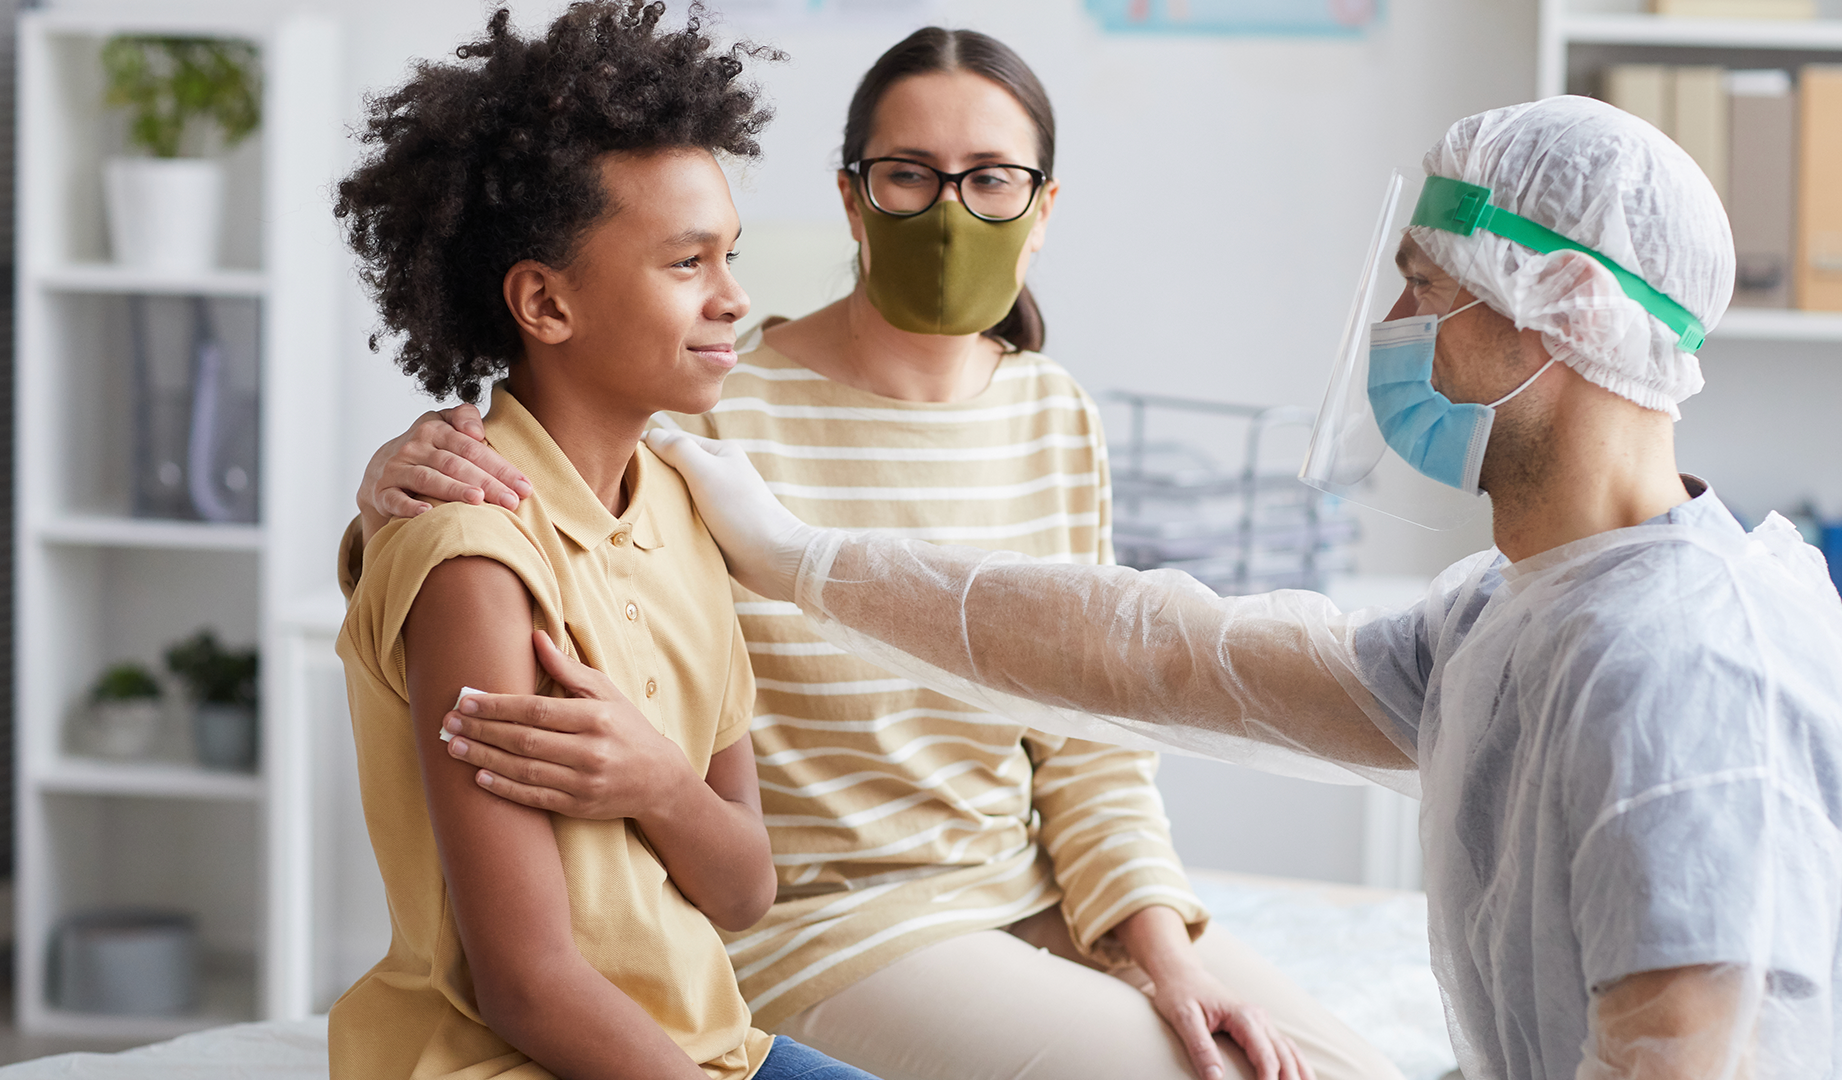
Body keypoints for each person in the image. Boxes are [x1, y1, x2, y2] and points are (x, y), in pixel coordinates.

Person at [640, 97, 1842, 1079]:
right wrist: (805, 559)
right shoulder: (1527, 612)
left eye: (1427, 285)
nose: (1390, 326)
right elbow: (1166, 655)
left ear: (1563, 313)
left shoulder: (1686, 671)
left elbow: (1675, 1048)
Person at [347, 25, 1401, 1080]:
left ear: (1043, 207)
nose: (949, 210)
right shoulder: (707, 416)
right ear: (853, 197)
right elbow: (521, 507)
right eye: (908, 176)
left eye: (991, 177)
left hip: (1017, 891)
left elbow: (1090, 734)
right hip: (833, 929)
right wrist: (394, 487)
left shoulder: (1051, 415)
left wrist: (1162, 955)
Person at [328, 6, 880, 1079]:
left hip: (710, 1047)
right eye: (687, 262)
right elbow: (527, 987)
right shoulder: (473, 564)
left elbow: (744, 891)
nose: (737, 298)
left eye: (730, 253)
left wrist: (659, 786)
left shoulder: (684, 503)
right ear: (545, 301)